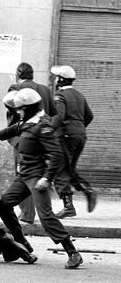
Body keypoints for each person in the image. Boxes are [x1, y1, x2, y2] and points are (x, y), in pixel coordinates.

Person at [0, 88, 83, 269]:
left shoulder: (43, 126)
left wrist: (47, 177)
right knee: (3, 204)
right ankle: (21, 241)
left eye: (21, 109)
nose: (18, 112)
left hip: (36, 178)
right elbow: (10, 130)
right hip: (24, 176)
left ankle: (73, 253)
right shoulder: (28, 122)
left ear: (31, 108)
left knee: (46, 217)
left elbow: (57, 154)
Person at [7, 62, 57, 224]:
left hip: (25, 140)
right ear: (32, 75)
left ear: (17, 74)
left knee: (24, 173)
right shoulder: (46, 90)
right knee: (39, 173)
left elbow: (11, 113)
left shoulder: (15, 89)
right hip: (43, 139)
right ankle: (43, 213)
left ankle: (28, 214)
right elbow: (54, 114)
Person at [50, 65, 96, 219]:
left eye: (57, 77)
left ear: (61, 80)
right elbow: (89, 116)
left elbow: (59, 116)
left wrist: (48, 130)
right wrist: (78, 128)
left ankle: (68, 206)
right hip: (80, 136)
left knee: (60, 170)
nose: (55, 79)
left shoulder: (60, 95)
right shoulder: (79, 95)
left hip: (66, 137)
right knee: (69, 169)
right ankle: (87, 189)